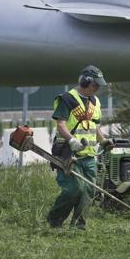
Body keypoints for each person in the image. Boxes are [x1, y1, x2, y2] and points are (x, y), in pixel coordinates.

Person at [46, 65, 111, 230]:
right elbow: (61, 125)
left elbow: (94, 126)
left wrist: (103, 140)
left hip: (89, 155)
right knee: (73, 190)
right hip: (68, 154)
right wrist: (71, 140)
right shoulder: (66, 99)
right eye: (94, 85)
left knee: (89, 191)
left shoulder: (95, 102)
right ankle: (54, 220)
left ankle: (78, 227)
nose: (96, 89)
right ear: (84, 81)